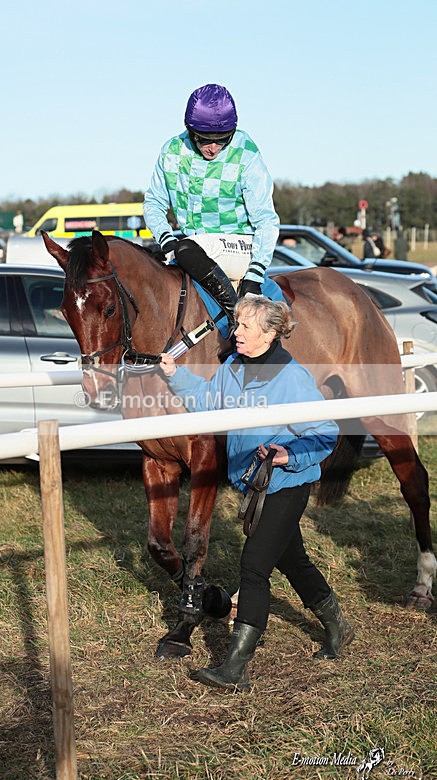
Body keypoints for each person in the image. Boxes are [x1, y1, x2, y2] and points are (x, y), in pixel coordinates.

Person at [159, 296, 353, 691]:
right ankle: (338, 625)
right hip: (255, 486)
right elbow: (208, 402)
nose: (236, 333)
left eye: (245, 327)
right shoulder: (233, 367)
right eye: (236, 325)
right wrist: (174, 374)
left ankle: (236, 667)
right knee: (293, 561)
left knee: (254, 567)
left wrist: (288, 454)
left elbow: (325, 432)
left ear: (269, 333)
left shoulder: (292, 378)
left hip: (287, 484)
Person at [143, 84, 283, 329]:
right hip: (196, 249)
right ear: (190, 130)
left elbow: (266, 221)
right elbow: (154, 203)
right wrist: (166, 239)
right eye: (205, 140)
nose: (213, 148)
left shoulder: (246, 154)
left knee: (187, 249)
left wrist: (254, 275)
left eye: (222, 140)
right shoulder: (171, 151)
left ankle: (235, 314)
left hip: (240, 246)